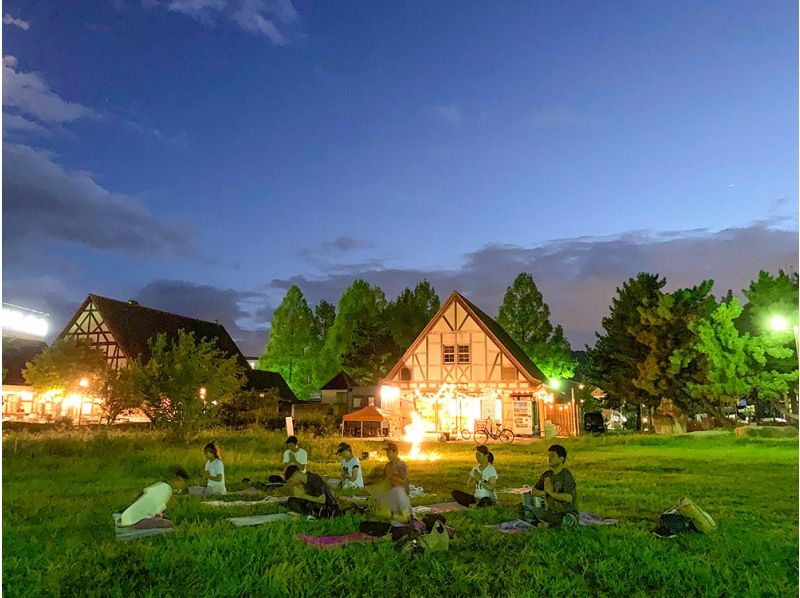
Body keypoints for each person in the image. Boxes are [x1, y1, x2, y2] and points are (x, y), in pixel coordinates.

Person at [524, 444, 578, 528]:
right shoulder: (547, 475)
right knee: (524, 510)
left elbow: (568, 498)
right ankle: (546, 525)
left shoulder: (566, 476)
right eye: (548, 456)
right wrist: (546, 491)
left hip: (566, 514)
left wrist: (550, 492)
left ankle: (543, 525)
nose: (549, 458)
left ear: (561, 459)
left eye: (552, 456)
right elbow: (534, 492)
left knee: (567, 521)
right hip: (551, 513)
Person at [116, 467, 189, 529]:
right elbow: (158, 512)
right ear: (179, 479)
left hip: (126, 516)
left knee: (162, 518)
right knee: (169, 524)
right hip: (134, 522)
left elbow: (141, 495)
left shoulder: (160, 485)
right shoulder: (167, 491)